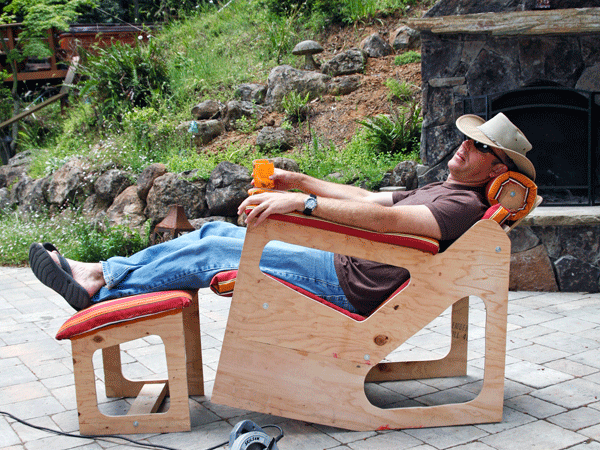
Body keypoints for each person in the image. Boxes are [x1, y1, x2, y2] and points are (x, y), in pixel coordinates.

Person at [29, 113, 535, 315]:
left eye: (476, 144)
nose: (462, 147)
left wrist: (305, 206)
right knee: (212, 229)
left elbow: (394, 224)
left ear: (497, 165)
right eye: (466, 139)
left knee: (210, 248)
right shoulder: (441, 188)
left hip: (349, 279)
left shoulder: (463, 206)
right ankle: (104, 276)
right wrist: (301, 182)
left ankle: (101, 282)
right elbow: (368, 199)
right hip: (346, 261)